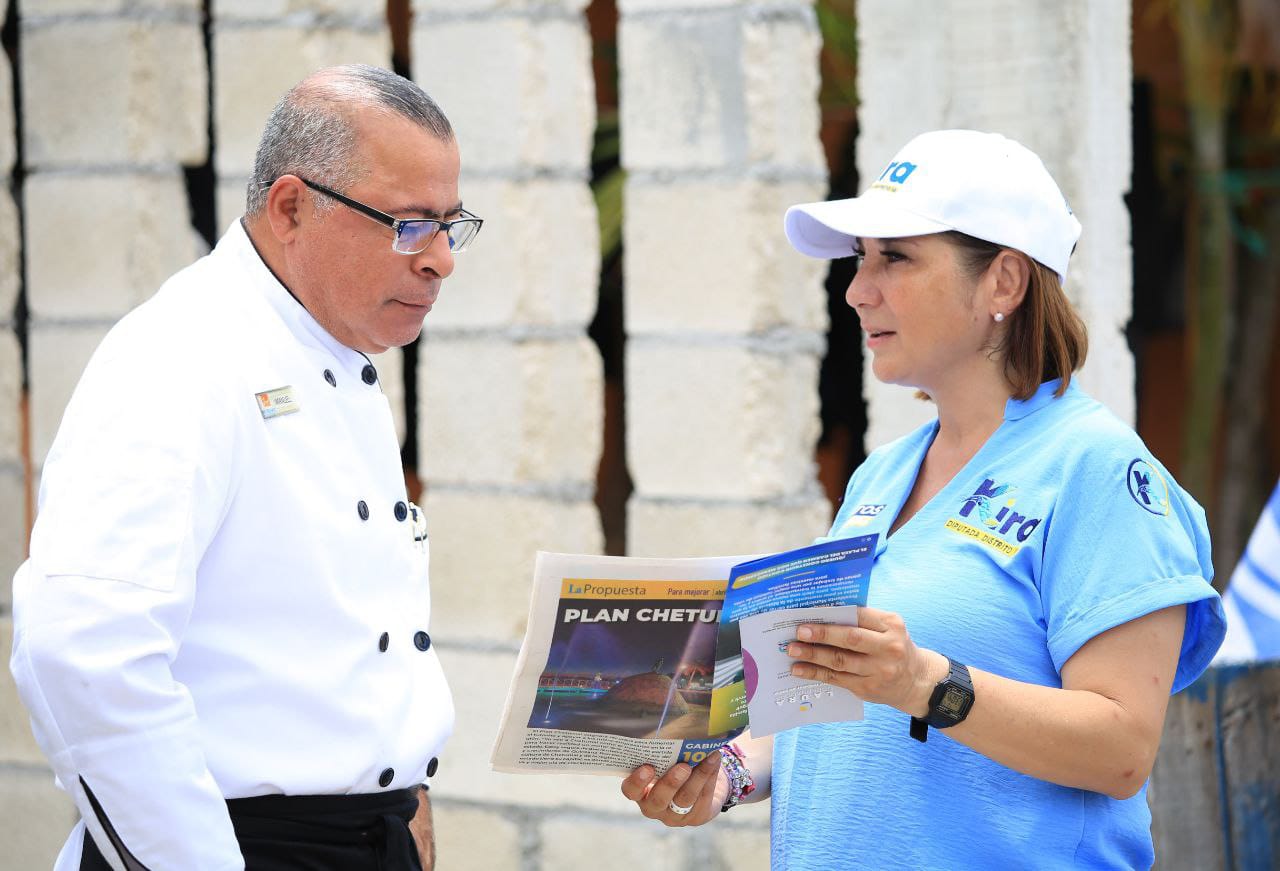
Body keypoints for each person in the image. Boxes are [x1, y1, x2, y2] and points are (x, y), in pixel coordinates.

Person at [620, 129, 1226, 869]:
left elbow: (1122, 748)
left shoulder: (1097, 469)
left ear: (1004, 283)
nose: (857, 289)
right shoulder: (881, 475)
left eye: (895, 257)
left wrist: (923, 683)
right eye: (860, 258)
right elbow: (824, 706)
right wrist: (726, 774)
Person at [9, 64, 481, 871]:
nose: (441, 259)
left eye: (449, 224)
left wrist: (405, 797)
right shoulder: (184, 355)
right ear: (292, 207)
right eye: (408, 225)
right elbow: (82, 651)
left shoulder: (337, 349)